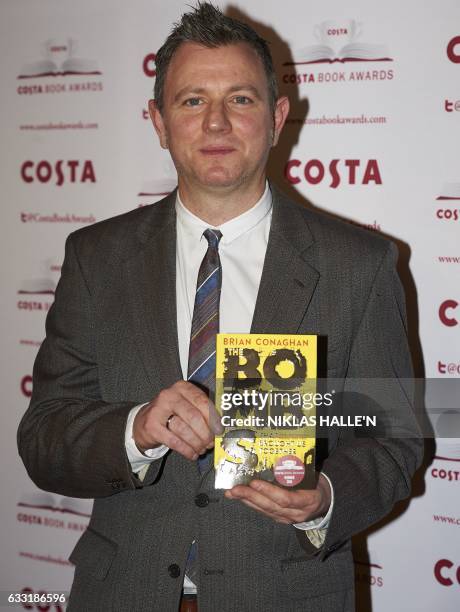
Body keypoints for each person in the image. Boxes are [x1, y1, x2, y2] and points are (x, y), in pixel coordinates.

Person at [17, 3, 423, 611]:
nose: (215, 124)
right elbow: (44, 437)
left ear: (278, 116)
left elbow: (394, 439)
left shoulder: (358, 265)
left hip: (286, 595)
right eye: (191, 101)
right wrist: (136, 429)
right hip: (122, 593)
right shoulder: (95, 258)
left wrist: (327, 496)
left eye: (240, 99)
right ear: (157, 120)